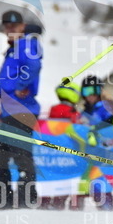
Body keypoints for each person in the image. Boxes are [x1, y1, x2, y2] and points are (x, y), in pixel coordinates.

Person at [0, 10, 41, 209]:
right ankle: (4, 202)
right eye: (7, 26)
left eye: (14, 26)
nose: (10, 29)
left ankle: (26, 202)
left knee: (22, 156)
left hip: (21, 111)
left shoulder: (26, 44)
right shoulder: (14, 48)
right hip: (8, 111)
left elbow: (33, 65)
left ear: (22, 27)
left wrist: (22, 85)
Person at [74, 75, 113, 211]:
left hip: (103, 154)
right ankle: (73, 216)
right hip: (87, 155)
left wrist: (95, 130)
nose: (91, 95)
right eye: (87, 91)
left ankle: (111, 212)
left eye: (95, 90)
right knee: (82, 186)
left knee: (98, 184)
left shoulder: (106, 108)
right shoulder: (84, 111)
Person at [37, 82, 81, 210]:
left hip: (50, 152)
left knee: (49, 178)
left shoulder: (52, 111)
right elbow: (78, 132)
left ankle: (44, 204)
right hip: (68, 153)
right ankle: (58, 205)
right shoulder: (73, 113)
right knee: (65, 180)